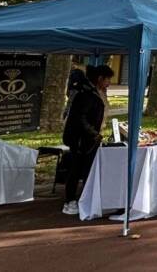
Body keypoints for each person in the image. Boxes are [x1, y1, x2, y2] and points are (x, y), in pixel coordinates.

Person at [61, 64, 113, 215]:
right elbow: (80, 117)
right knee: (76, 170)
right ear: (100, 78)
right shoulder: (86, 94)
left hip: (89, 138)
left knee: (87, 169)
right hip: (80, 138)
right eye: (108, 79)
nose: (109, 83)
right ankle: (70, 201)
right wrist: (93, 133)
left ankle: (84, 198)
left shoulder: (95, 92)